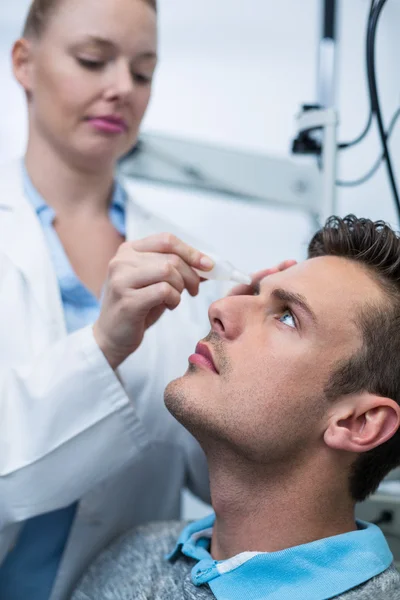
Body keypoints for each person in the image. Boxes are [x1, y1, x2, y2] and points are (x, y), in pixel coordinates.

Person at [0, 0, 291, 598]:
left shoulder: (189, 266)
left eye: (142, 71)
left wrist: (249, 360)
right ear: (24, 62)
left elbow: (217, 481)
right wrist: (104, 345)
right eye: (92, 59)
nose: (119, 89)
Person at [72, 215, 400, 600]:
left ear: (359, 422)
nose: (221, 308)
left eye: (288, 316)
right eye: (256, 293)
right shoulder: (131, 560)